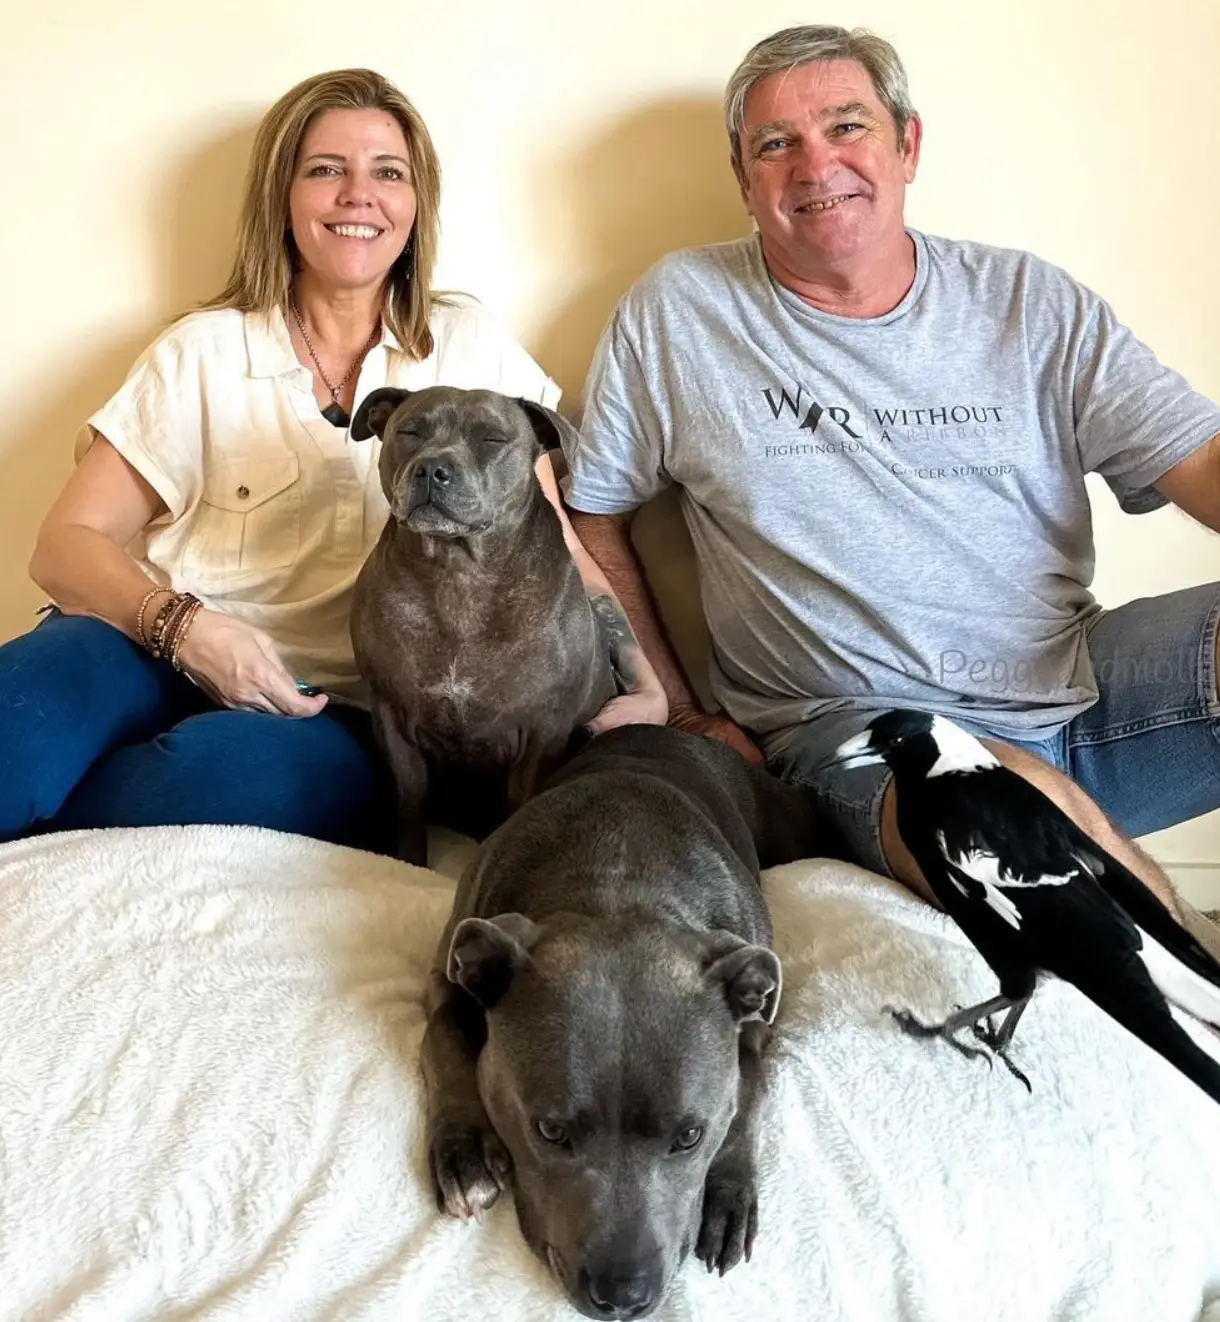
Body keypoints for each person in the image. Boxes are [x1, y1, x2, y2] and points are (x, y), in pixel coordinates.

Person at [561, 24, 1220, 938]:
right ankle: (1193, 981)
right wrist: (675, 707)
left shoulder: (1030, 301)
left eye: (847, 127)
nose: (814, 164)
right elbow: (591, 513)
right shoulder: (680, 314)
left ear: (908, 144)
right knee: (1001, 794)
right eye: (776, 144)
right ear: (743, 177)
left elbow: (1204, 461)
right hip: (860, 734)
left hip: (1084, 694)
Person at [2, 68, 664, 852]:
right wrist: (188, 631)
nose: (359, 195)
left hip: (319, 708)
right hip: (146, 647)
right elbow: (64, 544)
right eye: (326, 170)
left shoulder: (473, 345)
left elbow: (553, 544)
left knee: (223, 779)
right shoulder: (202, 352)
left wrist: (644, 678)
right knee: (25, 718)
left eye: (388, 173)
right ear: (282, 197)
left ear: (416, 208)